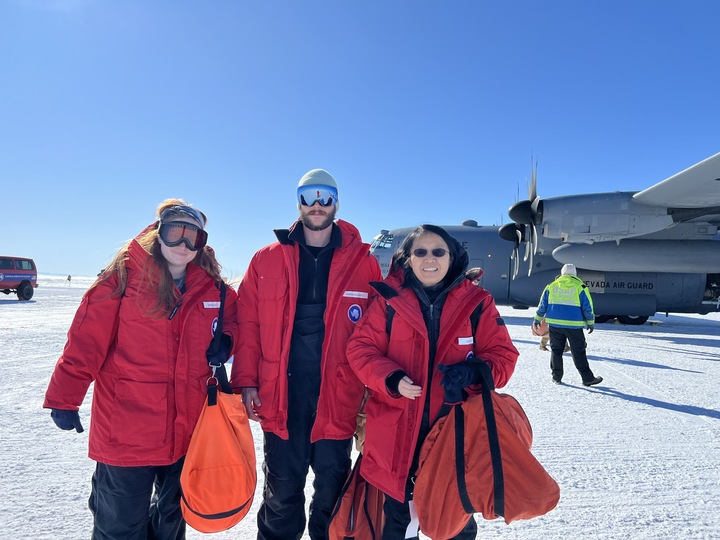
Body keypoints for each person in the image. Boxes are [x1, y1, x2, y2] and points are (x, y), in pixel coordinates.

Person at [43, 199, 239, 539]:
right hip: (126, 431)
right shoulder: (122, 279)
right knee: (120, 525)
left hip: (186, 429)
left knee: (171, 522)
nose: (182, 244)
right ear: (158, 234)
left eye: (192, 237)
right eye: (174, 233)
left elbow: (234, 319)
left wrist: (227, 338)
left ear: (201, 243)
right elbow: (85, 342)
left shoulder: (213, 289)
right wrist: (64, 397)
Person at [231, 169, 382, 540]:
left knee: (332, 491)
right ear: (298, 201)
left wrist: (373, 388)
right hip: (281, 394)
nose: (318, 205)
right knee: (282, 493)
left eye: (326, 196)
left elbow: (378, 332)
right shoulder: (266, 260)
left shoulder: (363, 263)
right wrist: (247, 381)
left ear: (336, 203)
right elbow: (248, 324)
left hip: (338, 395)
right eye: (310, 196)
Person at [346, 224, 519, 539]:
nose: (430, 259)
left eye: (438, 251)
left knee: (455, 522)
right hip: (397, 434)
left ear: (452, 258)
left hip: (453, 433)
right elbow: (360, 350)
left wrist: (475, 373)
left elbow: (503, 357)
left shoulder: (477, 303)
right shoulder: (388, 301)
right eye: (420, 251)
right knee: (398, 523)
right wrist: (392, 378)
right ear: (408, 259)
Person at [534, 263, 602, 386]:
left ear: (562, 273)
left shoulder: (551, 286)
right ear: (575, 274)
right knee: (578, 351)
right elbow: (587, 307)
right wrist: (590, 322)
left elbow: (542, 304)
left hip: (555, 325)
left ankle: (556, 377)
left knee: (556, 351)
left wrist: (537, 319)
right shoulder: (580, 287)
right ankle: (587, 378)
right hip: (574, 325)